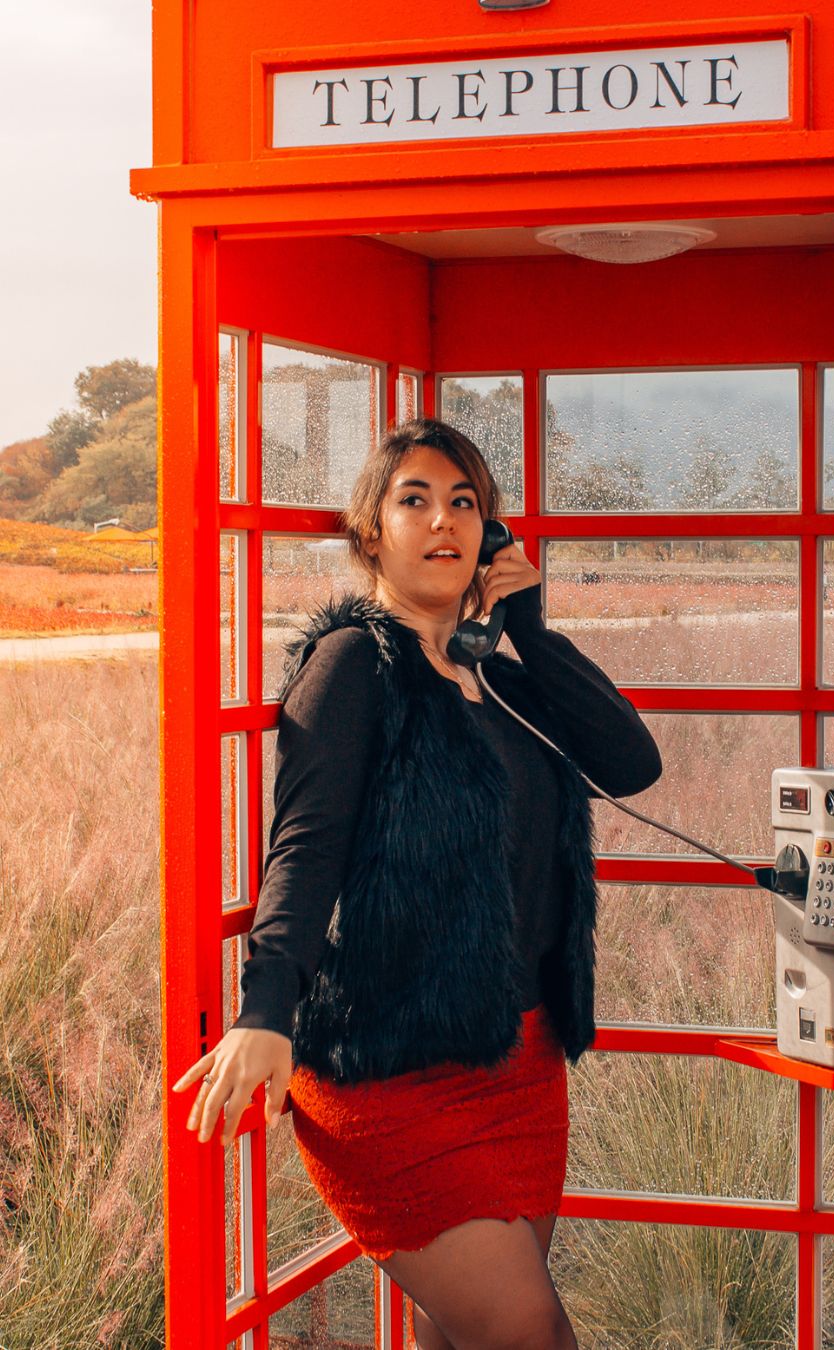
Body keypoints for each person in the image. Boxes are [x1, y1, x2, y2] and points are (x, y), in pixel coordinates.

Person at [172, 418, 663, 1349]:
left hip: (520, 1067)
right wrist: (265, 1011)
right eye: (416, 500)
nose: (444, 521)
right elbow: (304, 849)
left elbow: (632, 762)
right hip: (394, 1078)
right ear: (372, 535)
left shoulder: (498, 678)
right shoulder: (356, 665)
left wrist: (530, 630)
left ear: (492, 535)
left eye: (465, 502)